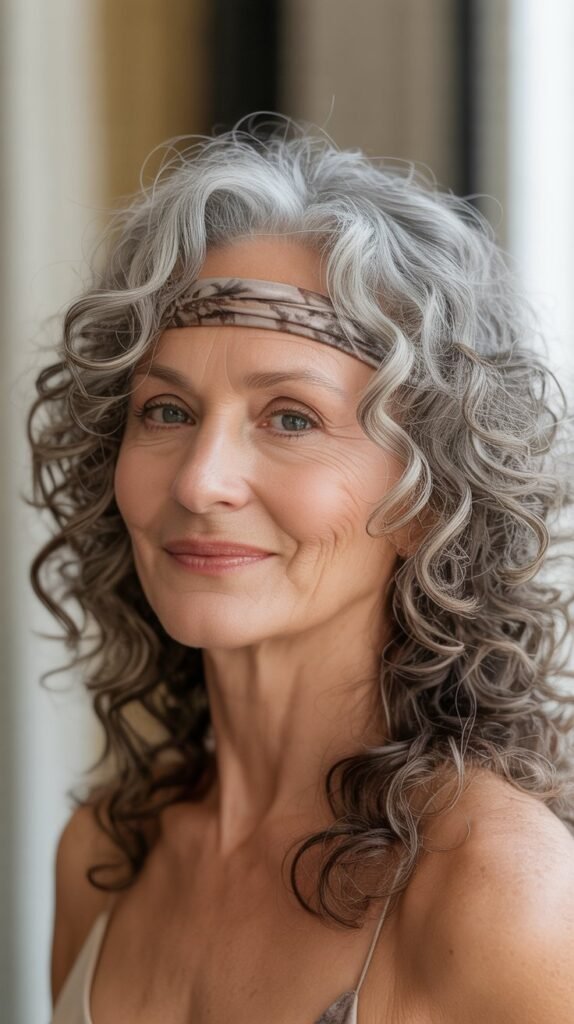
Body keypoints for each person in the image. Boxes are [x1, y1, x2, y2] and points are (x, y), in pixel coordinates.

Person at [29, 118, 574, 1023]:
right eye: (166, 411)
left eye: (291, 418)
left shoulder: (497, 893)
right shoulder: (106, 858)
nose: (200, 481)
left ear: (429, 498)